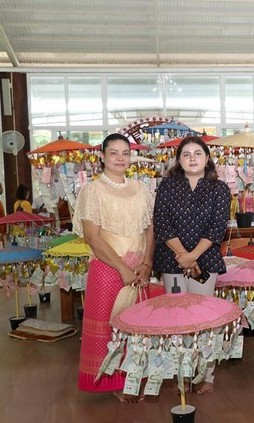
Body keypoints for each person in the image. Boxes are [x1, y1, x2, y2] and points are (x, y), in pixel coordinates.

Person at [73, 133, 154, 403]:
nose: (120, 158)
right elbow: (92, 237)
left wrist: (147, 264)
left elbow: (150, 229)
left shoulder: (141, 188)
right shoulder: (92, 190)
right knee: (111, 327)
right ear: (102, 156)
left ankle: (134, 377)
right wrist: (122, 269)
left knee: (136, 326)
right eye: (114, 153)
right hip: (108, 268)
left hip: (139, 269)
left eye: (125, 153)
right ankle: (115, 382)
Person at [153, 134, 230, 395]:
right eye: (186, 154)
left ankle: (206, 375)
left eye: (197, 153)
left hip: (205, 261)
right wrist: (183, 256)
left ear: (207, 158)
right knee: (176, 319)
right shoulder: (167, 186)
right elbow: (161, 224)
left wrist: (193, 256)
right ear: (179, 160)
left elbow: (217, 228)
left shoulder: (220, 189)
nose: (192, 158)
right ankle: (182, 376)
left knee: (203, 318)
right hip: (171, 260)